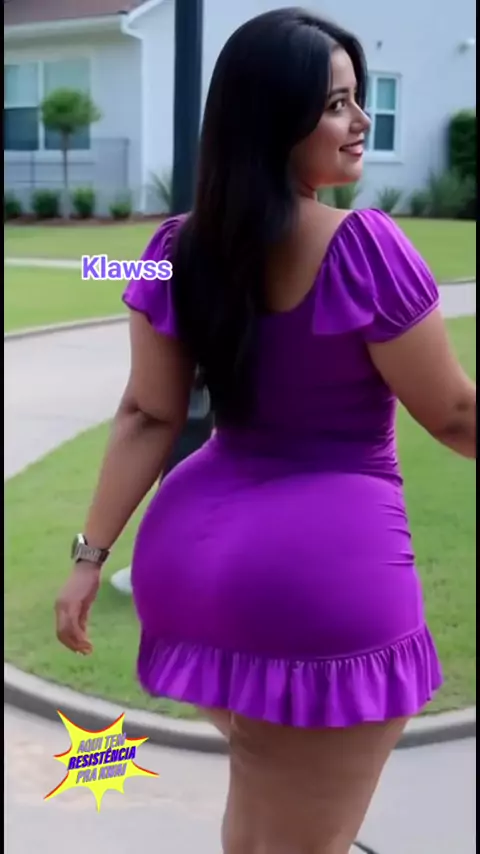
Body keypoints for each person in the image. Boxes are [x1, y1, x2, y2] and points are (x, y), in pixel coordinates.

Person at [55, 8, 476, 853]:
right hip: (318, 588)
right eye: (335, 105)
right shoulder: (364, 246)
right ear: (271, 119)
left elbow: (147, 412)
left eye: (358, 100)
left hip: (189, 569)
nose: (361, 122)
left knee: (258, 819)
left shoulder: (175, 247)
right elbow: (457, 415)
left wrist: (89, 559)